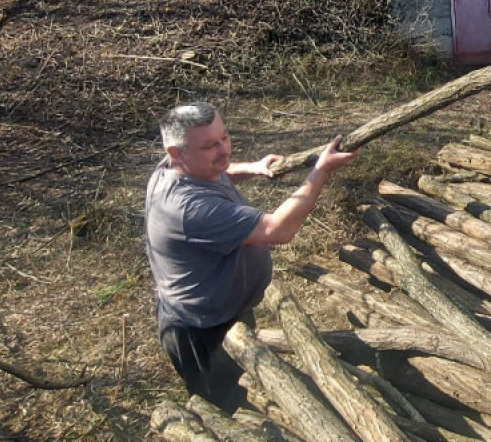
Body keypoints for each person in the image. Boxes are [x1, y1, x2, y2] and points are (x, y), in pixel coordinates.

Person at [144, 102, 358, 412]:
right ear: (177, 153)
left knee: (250, 391)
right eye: (210, 146)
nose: (224, 150)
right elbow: (277, 230)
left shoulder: (182, 165)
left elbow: (221, 169)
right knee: (232, 411)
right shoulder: (186, 207)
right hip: (202, 330)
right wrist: (321, 170)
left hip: (226, 310)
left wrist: (253, 168)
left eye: (225, 137)